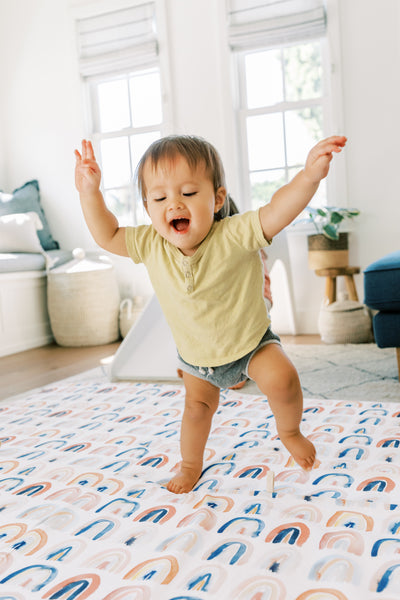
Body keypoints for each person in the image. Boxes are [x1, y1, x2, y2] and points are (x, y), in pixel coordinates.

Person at [75, 134, 347, 494]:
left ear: (217, 199)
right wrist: (89, 192)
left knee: (283, 379)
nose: (174, 204)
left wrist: (310, 176)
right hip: (197, 358)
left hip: (251, 343)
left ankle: (291, 431)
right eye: (160, 198)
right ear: (148, 206)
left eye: (188, 193)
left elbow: (278, 210)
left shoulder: (235, 233)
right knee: (197, 411)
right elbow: (106, 233)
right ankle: (190, 465)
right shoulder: (150, 244)